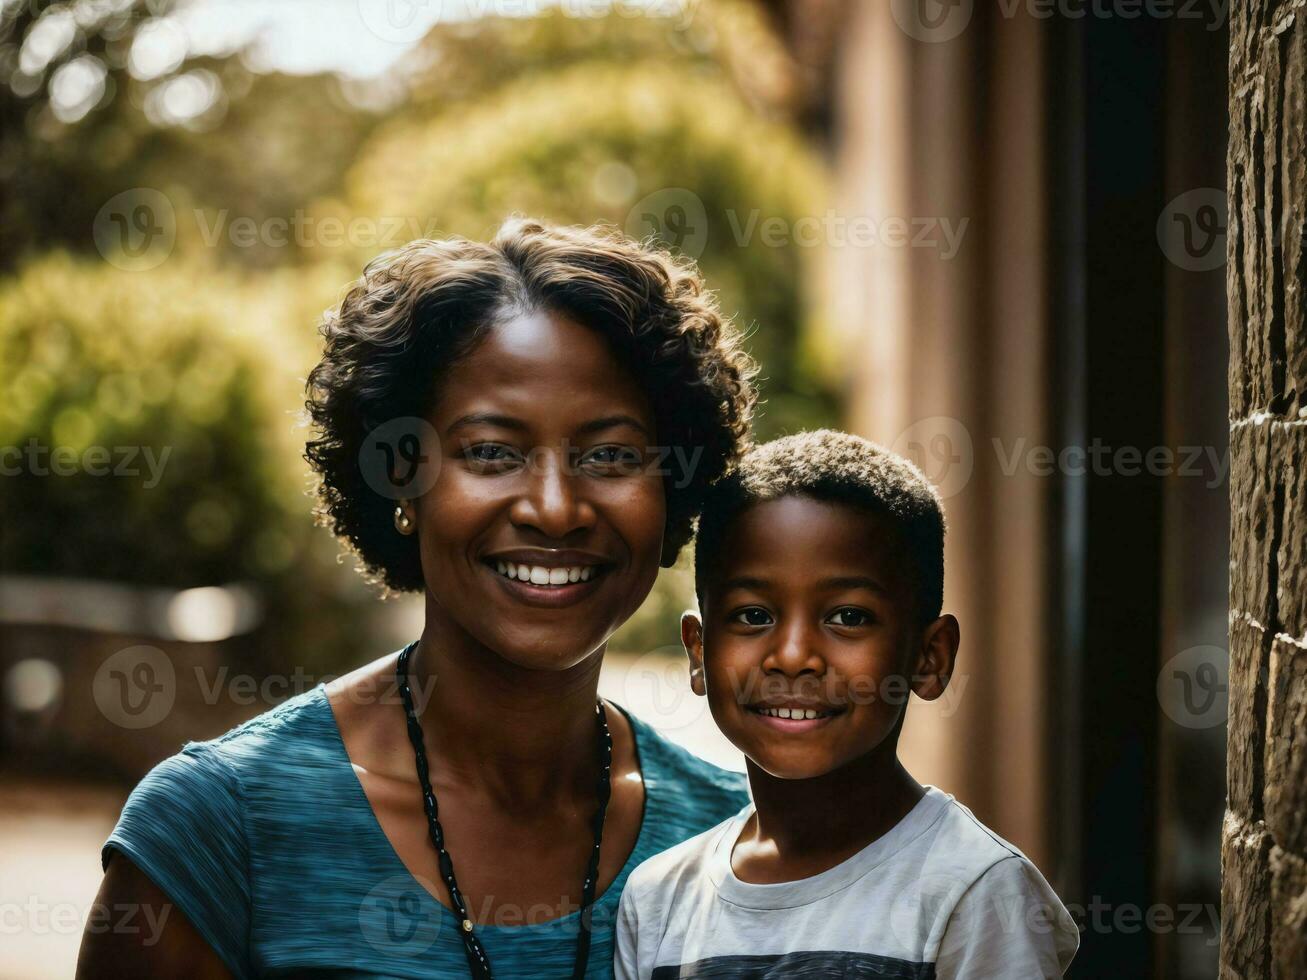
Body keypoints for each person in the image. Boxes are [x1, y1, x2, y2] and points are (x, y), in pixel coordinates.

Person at [77, 218, 758, 979]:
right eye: (491, 451)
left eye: (609, 455)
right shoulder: (218, 831)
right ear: (402, 479)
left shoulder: (739, 845)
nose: (556, 508)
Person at [615, 430, 1080, 979]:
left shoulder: (975, 892)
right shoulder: (658, 901)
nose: (792, 657)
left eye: (849, 617)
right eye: (753, 615)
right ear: (698, 653)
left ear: (930, 658)